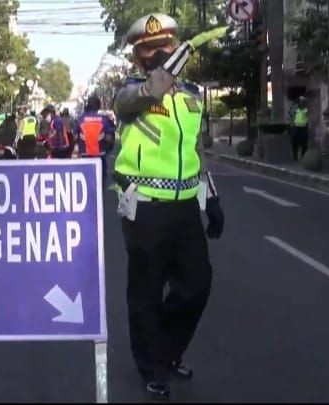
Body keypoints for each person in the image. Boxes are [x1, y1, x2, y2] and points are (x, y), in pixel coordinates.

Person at [113, 13, 226, 399]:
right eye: (150, 48)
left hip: (183, 209)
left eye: (166, 45)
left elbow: (195, 151)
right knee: (144, 293)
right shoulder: (129, 93)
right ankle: (151, 366)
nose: (158, 53)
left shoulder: (192, 95)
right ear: (137, 57)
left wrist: (211, 197)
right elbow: (152, 91)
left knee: (197, 285)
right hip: (144, 208)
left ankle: (167, 350)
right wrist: (180, 57)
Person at [74, 95, 115, 180]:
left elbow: (75, 137)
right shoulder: (104, 119)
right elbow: (110, 139)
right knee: (100, 181)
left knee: (86, 180)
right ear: (99, 106)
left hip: (84, 156)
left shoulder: (80, 119)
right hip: (100, 156)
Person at [290, 96, 308, 160]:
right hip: (296, 127)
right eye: (300, 101)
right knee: (294, 142)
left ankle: (303, 156)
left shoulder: (306, 109)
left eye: (302, 101)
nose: (301, 103)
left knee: (304, 143)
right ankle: (295, 156)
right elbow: (291, 114)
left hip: (304, 128)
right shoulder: (295, 109)